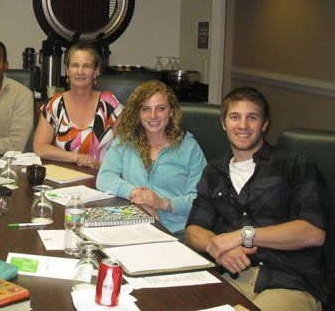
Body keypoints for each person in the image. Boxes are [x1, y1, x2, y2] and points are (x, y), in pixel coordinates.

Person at [185, 87, 328, 310]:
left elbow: (313, 232)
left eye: (252, 117)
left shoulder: (293, 163)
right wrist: (217, 248)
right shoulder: (214, 171)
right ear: (224, 123)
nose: (243, 126)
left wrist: (243, 236)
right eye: (235, 117)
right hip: (231, 277)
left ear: (264, 124)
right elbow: (194, 230)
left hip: (288, 282)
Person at [97, 80, 206, 234]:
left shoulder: (189, 147)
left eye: (160, 109)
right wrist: (135, 194)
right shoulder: (125, 141)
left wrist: (162, 203)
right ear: (138, 113)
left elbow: (200, 200)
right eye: (146, 109)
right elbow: (104, 177)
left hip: (176, 231)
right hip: (134, 224)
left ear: (172, 111)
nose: (153, 116)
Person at [33, 41, 122, 169]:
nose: (80, 71)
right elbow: (40, 148)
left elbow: (127, 150)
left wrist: (98, 165)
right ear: (67, 70)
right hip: (65, 180)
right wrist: (76, 158)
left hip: (103, 179)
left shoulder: (110, 104)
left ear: (96, 71)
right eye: (75, 65)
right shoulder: (54, 104)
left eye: (86, 66)